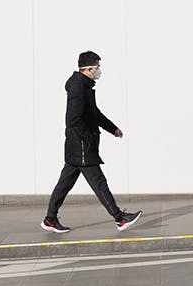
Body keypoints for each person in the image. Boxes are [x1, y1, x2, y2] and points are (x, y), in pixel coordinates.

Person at [41, 51, 141, 233]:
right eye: (97, 68)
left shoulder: (84, 86)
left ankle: (50, 219)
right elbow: (73, 120)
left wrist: (113, 129)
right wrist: (88, 139)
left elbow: (94, 113)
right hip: (81, 147)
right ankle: (120, 219)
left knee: (64, 184)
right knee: (99, 182)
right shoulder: (78, 88)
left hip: (76, 146)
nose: (99, 71)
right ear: (87, 69)